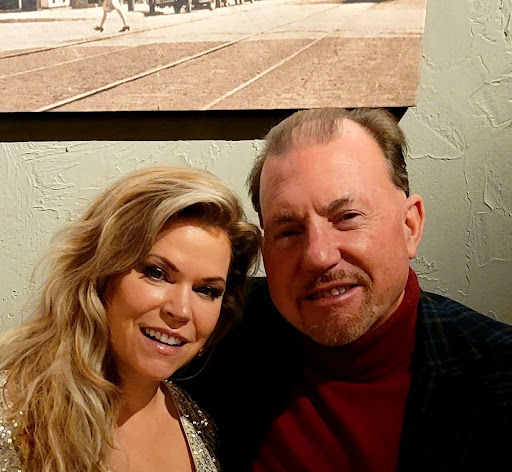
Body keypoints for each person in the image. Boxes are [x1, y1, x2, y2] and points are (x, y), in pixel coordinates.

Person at [186, 108, 512, 472]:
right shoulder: (218, 328)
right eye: (288, 231)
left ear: (410, 226)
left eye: (348, 217)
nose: (318, 256)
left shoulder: (499, 376)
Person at [0, 166, 261, 472]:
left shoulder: (198, 420)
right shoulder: (10, 411)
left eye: (206, 290)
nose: (181, 310)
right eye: (156, 273)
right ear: (100, 275)